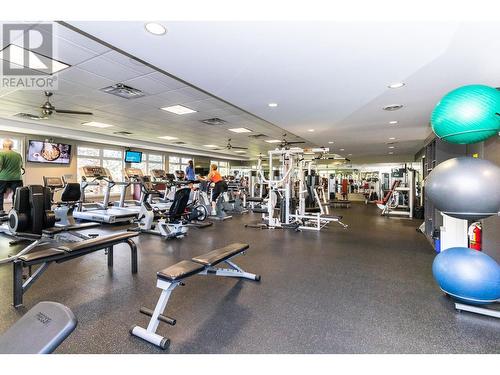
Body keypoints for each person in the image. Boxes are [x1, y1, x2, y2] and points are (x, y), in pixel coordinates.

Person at [0, 139, 23, 215]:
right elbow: (21, 166)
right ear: (12, 146)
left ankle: (0, 211)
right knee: (17, 195)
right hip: (17, 178)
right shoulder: (18, 155)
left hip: (3, 178)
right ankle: (16, 211)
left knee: (0, 194)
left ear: (3, 146)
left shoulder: (1, 154)